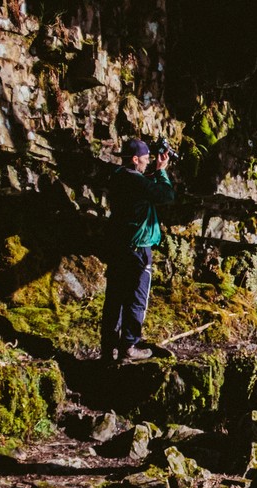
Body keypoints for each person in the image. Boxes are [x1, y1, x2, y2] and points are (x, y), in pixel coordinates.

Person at [101, 137, 176, 363]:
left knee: (114, 297)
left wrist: (152, 170)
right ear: (135, 159)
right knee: (136, 298)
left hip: (119, 247)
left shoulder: (118, 177)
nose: (146, 163)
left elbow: (142, 182)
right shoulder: (136, 182)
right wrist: (161, 171)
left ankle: (109, 350)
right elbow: (166, 195)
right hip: (138, 249)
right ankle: (129, 347)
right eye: (144, 160)